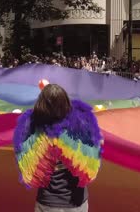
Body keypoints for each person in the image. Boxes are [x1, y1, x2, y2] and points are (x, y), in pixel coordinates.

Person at [13, 84, 103, 212]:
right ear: (66, 102)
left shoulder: (33, 130)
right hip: (76, 203)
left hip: (47, 203)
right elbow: (93, 166)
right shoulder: (80, 129)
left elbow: (22, 158)